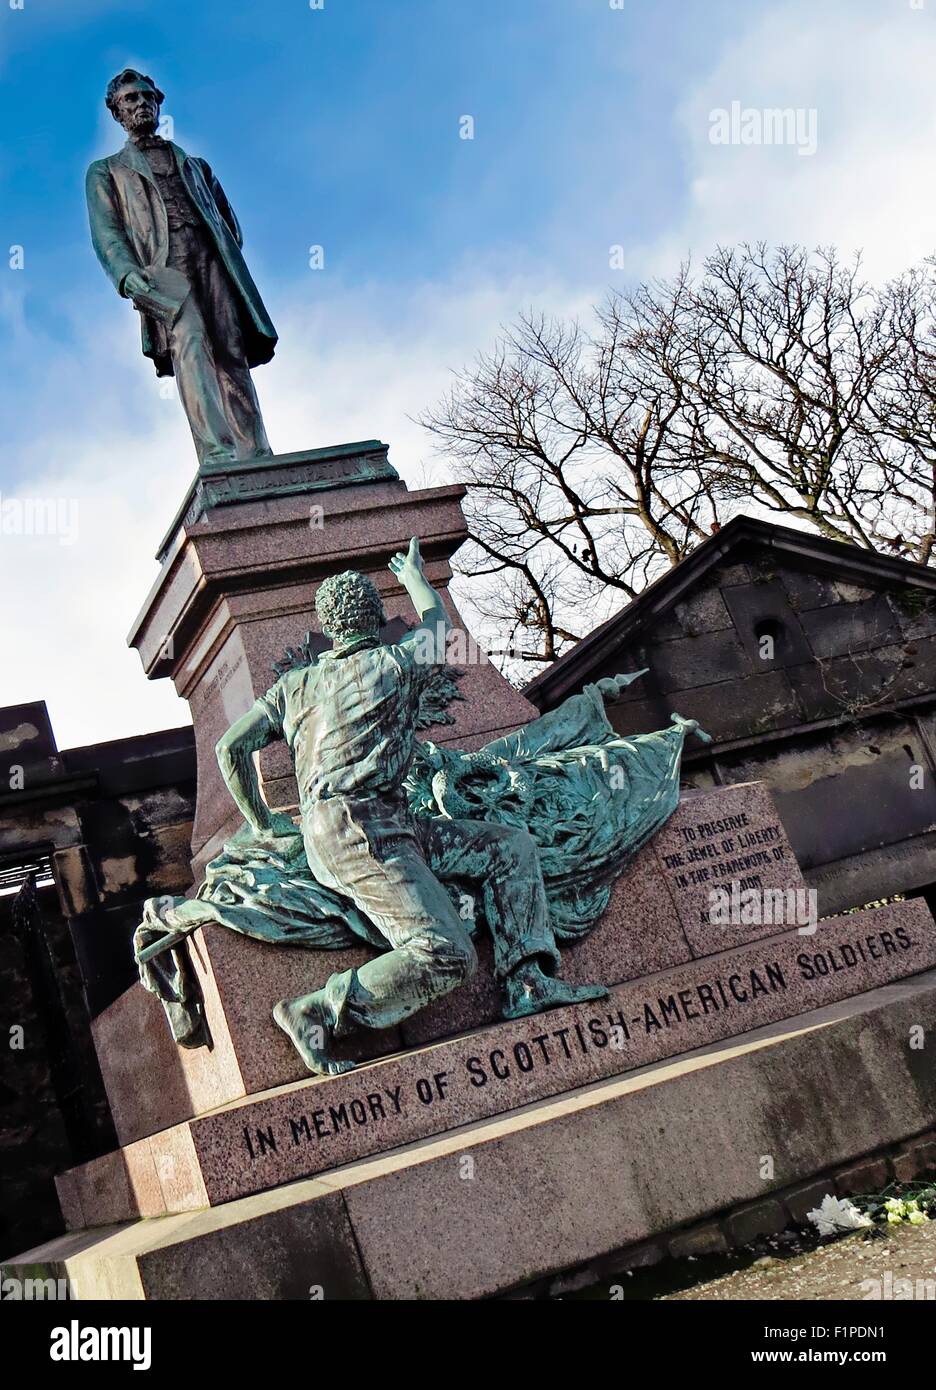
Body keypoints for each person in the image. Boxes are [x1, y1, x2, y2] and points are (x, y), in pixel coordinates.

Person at [215, 537, 607, 1075]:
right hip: (361, 835)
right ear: (375, 619)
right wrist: (416, 577)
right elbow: (437, 624)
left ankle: (528, 982)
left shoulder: (293, 686)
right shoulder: (393, 664)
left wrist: (263, 823)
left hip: (388, 823)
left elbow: (228, 746)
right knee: (445, 954)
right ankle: (315, 1011)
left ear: (330, 628)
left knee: (508, 847)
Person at [86, 69, 277, 467]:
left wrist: (221, 257)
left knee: (231, 350)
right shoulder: (107, 170)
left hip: (210, 260)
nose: (140, 105)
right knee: (190, 347)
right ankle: (218, 454)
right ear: (117, 113)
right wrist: (126, 274)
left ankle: (256, 453)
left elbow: (228, 223)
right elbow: (107, 233)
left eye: (145, 97)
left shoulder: (195, 164)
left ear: (157, 103)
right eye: (130, 100)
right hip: (163, 271)